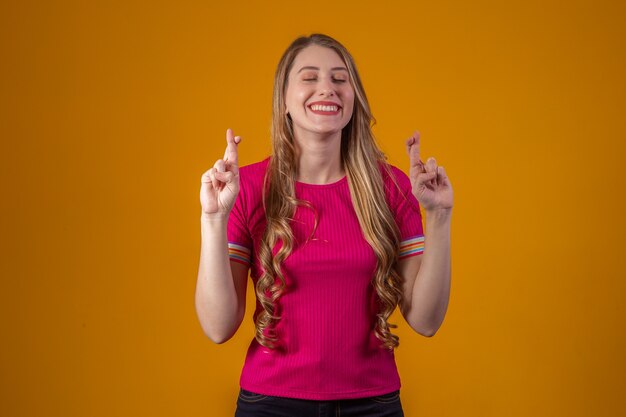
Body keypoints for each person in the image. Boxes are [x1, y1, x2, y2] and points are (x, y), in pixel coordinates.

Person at [196, 34, 453, 417]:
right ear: (284, 99)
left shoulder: (393, 187)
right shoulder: (247, 188)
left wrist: (439, 215)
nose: (327, 89)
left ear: (354, 97)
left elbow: (426, 320)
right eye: (310, 77)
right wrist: (214, 218)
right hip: (270, 405)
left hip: (373, 405)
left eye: (339, 78)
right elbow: (218, 328)